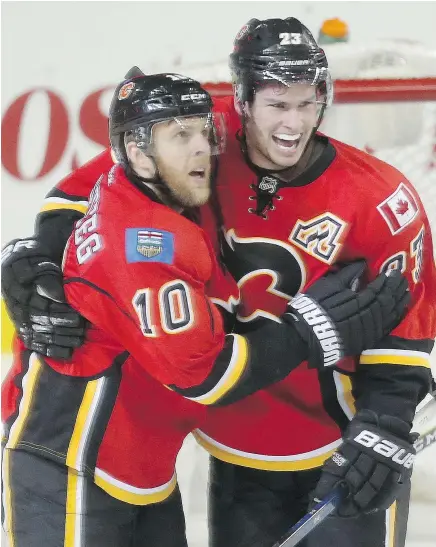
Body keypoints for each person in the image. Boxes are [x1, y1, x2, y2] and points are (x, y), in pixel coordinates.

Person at [3, 17, 435, 547]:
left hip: (340, 443)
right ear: (243, 100)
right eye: (278, 104)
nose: (293, 124)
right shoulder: (194, 141)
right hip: (233, 442)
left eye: (307, 103)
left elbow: (405, 330)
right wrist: (38, 259)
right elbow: (85, 194)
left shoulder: (382, 200)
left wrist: (385, 423)